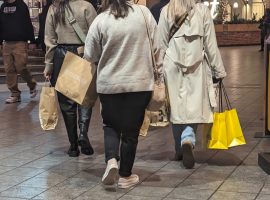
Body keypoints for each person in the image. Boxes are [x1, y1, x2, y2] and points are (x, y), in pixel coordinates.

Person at [84, 0, 161, 188]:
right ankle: (126, 176)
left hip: (109, 85)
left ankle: (111, 160)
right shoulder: (144, 14)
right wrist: (159, 73)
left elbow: (90, 55)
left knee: (110, 125)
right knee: (131, 131)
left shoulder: (101, 20)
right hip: (140, 83)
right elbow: (157, 48)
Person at [158, 0, 226, 169]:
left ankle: (178, 149)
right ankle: (188, 139)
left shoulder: (166, 10)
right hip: (197, 66)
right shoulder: (202, 11)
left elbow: (160, 44)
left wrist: (158, 71)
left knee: (176, 108)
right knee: (193, 106)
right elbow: (211, 45)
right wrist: (219, 71)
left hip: (172, 65)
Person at [43, 0, 97, 157]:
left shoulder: (54, 8)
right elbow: (94, 34)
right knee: (85, 98)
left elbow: (50, 39)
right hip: (83, 54)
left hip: (61, 55)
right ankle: (83, 134)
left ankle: (73, 145)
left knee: (67, 103)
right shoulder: (86, 6)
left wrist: (48, 64)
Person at [0, 0, 38, 104]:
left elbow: (27, 23)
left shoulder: (21, 5)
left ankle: (32, 84)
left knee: (21, 67)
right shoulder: (3, 6)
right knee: (9, 69)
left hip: (20, 43)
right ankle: (15, 94)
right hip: (6, 43)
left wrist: (32, 41)